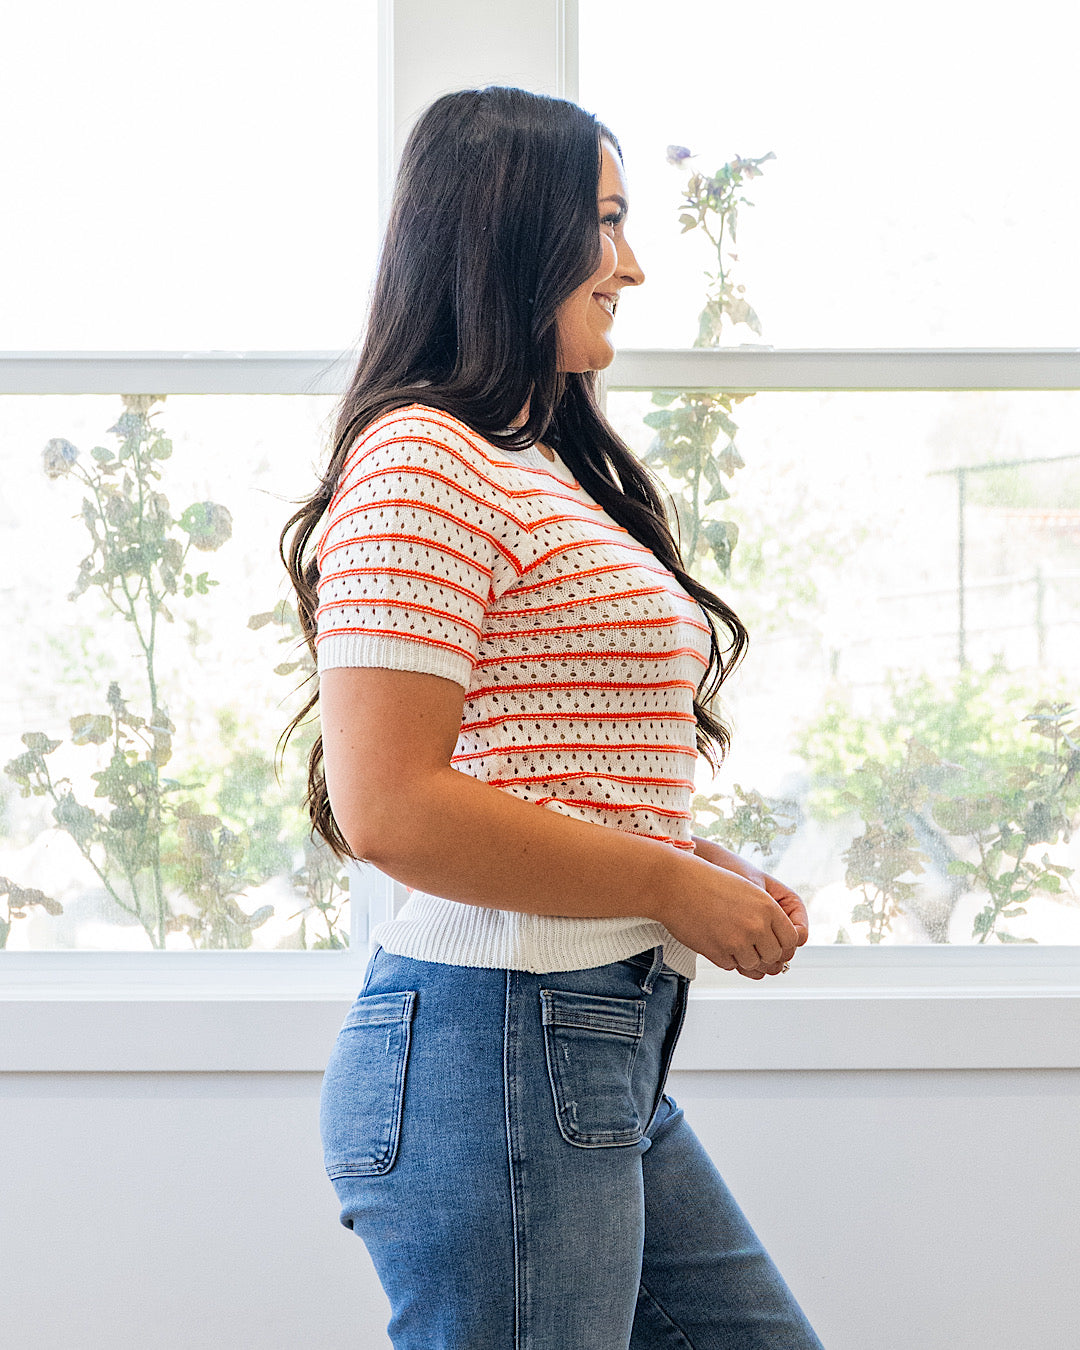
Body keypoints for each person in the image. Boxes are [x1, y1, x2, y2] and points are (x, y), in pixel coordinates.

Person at [279, 84, 824, 1350]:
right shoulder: (422, 457)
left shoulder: (534, 462)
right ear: (507, 228)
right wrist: (666, 885)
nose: (629, 266)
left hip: (584, 1048)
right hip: (500, 1046)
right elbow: (394, 806)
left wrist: (687, 862)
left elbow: (540, 763)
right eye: (607, 223)